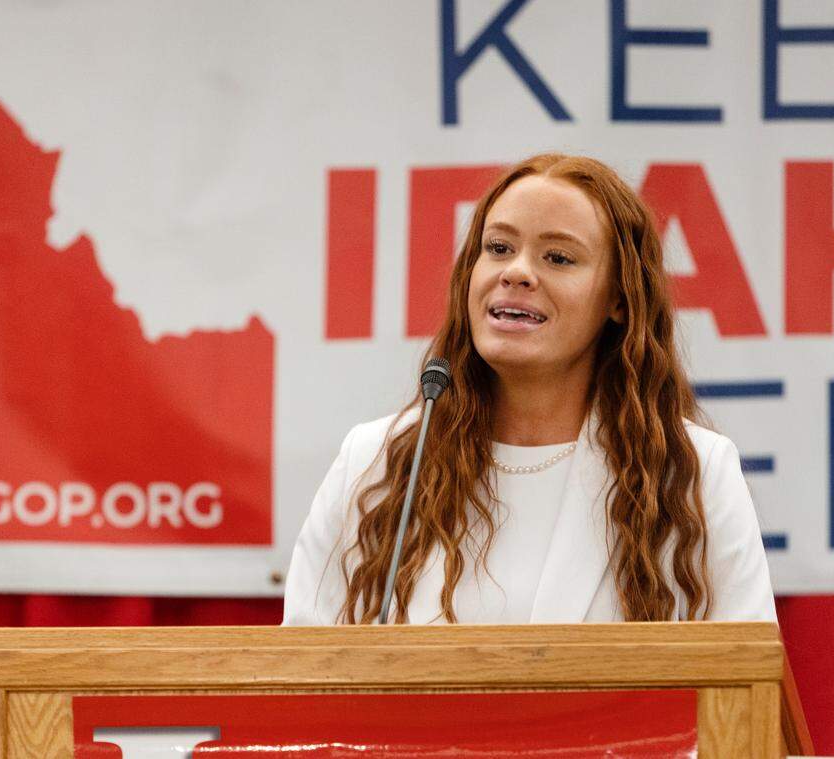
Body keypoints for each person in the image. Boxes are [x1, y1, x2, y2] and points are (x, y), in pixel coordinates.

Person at [283, 153, 776, 625]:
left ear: (619, 301)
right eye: (498, 248)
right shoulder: (376, 463)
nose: (516, 271)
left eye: (558, 257)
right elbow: (299, 675)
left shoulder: (690, 471)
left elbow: (746, 688)